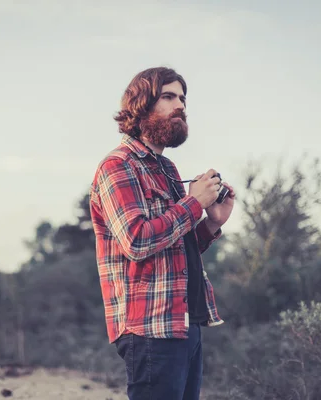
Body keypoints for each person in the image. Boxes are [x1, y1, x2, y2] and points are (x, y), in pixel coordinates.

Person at [89, 66, 236, 400]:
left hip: (186, 323)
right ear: (141, 107)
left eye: (182, 98)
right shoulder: (118, 165)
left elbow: (173, 250)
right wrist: (193, 203)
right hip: (150, 328)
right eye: (168, 97)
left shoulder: (166, 168)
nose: (180, 106)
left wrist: (211, 222)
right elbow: (137, 241)